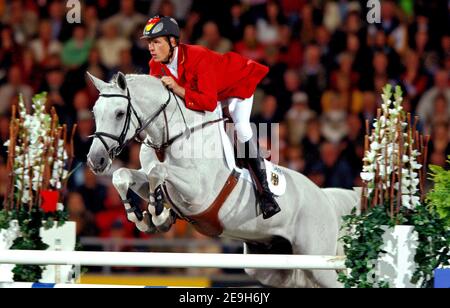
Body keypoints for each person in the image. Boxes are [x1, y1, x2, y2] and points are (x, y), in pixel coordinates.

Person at [141, 16, 280, 219]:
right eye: (149, 43)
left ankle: (266, 194)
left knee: (240, 127)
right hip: (207, 94)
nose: (151, 48)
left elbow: (207, 103)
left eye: (156, 42)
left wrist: (177, 88)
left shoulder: (198, 56)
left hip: (234, 85)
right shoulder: (155, 65)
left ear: (172, 42)